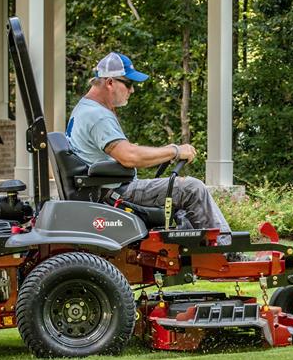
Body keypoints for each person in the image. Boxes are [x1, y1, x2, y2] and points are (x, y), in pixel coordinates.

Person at [66, 51, 234, 246]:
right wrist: (175, 151)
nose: (132, 90)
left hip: (102, 189)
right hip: (115, 192)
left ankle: (196, 252)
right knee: (191, 188)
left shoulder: (83, 109)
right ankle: (227, 250)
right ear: (110, 82)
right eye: (128, 83)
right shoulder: (98, 116)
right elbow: (129, 156)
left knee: (180, 200)